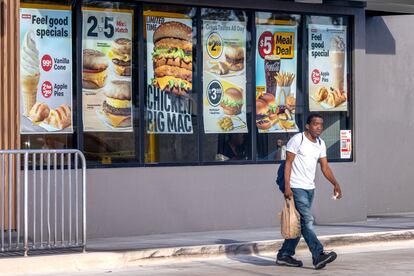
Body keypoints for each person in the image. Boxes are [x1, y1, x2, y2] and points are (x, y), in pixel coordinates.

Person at [276, 113, 343, 270]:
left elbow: (324, 167)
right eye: (315, 124)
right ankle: (318, 255)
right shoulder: (297, 140)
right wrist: (287, 187)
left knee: (300, 224)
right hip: (295, 186)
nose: (319, 127)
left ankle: (284, 255)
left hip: (309, 188)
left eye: (321, 124)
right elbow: (288, 164)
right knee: (308, 220)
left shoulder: (320, 143)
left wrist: (335, 183)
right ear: (307, 125)